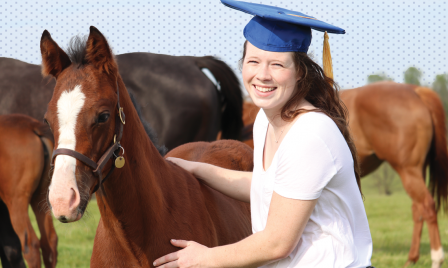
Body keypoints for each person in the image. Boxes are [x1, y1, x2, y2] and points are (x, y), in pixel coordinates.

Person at [154, 0, 373, 267]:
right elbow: (268, 188)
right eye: (254, 61)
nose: (262, 75)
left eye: (277, 65)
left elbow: (277, 243)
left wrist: (205, 257)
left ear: (300, 73)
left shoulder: (310, 134)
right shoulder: (266, 121)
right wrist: (195, 169)